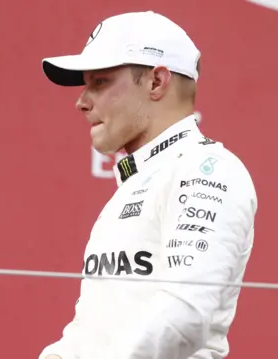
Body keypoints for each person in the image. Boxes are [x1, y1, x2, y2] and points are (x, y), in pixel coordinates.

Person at [38, 10, 257, 359]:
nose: (81, 102)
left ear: (156, 82)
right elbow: (89, 332)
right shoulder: (134, 184)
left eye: (99, 82)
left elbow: (183, 317)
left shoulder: (209, 171)